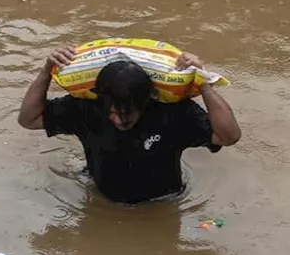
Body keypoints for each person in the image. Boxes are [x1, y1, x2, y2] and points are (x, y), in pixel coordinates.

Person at [18, 47, 240, 204]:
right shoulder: (85, 109)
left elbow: (228, 136)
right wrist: (47, 71)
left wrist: (203, 83)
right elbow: (28, 119)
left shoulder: (173, 113)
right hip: (101, 199)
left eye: (129, 113)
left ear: (147, 100)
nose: (119, 120)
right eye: (112, 112)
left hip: (163, 203)